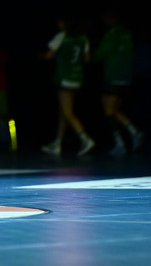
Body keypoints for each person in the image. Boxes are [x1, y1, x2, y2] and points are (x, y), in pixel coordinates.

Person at [40, 15, 95, 156]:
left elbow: (48, 55)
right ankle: (57, 143)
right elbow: (87, 58)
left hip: (64, 79)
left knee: (68, 113)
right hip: (77, 78)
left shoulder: (62, 36)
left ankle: (85, 139)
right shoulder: (83, 37)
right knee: (64, 111)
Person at [93, 9, 143, 155]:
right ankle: (134, 132)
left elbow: (99, 54)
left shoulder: (112, 34)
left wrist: (87, 59)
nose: (104, 22)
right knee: (115, 110)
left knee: (108, 112)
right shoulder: (127, 33)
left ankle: (120, 143)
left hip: (113, 78)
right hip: (126, 79)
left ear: (111, 18)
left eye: (105, 18)